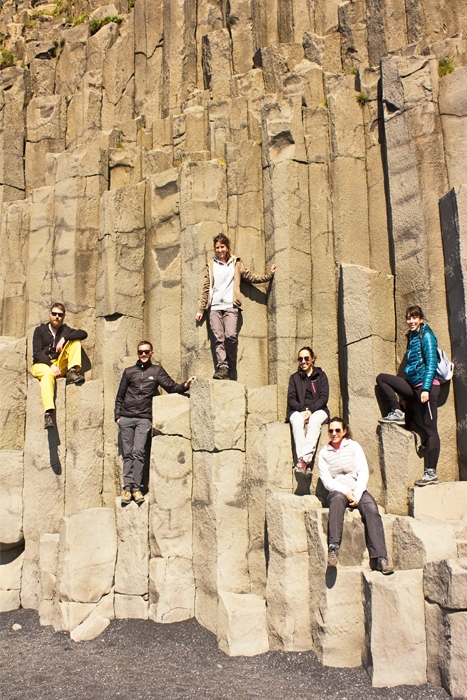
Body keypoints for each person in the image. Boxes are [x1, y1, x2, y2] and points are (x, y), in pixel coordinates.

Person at [115, 341, 195, 505]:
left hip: (144, 418)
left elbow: (171, 387)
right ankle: (127, 488)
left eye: (146, 352)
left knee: (139, 452)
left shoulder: (156, 371)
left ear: (151, 353)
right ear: (137, 354)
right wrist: (118, 417)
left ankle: (136, 489)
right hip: (127, 417)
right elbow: (120, 396)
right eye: (140, 352)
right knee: (127, 453)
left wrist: (185, 385)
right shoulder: (129, 372)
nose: (143, 355)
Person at [318, 417, 394, 574]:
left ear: (344, 431)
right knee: (337, 501)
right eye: (331, 431)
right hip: (338, 491)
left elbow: (363, 471)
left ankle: (381, 558)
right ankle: (333, 547)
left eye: (337, 430)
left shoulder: (354, 447)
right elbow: (326, 480)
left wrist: (357, 494)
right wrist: (344, 491)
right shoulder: (324, 453)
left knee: (371, 508)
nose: (334, 433)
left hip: (358, 490)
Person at [376, 305, 441, 487]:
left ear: (420, 319)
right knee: (382, 379)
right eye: (408, 318)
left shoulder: (427, 335)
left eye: (414, 317)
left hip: (427, 387)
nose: (411, 321)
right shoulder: (412, 337)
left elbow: (431, 364)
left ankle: (430, 472)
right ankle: (397, 412)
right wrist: (405, 397)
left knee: (430, 429)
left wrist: (426, 389)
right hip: (414, 387)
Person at [195, 233, 276, 379]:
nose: (219, 250)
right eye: (217, 248)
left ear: (227, 247)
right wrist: (201, 309)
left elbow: (250, 276)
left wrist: (268, 276)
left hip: (231, 306)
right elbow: (206, 288)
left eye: (222, 247)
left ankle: (230, 364)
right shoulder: (211, 265)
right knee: (218, 339)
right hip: (213, 307)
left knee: (230, 336)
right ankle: (222, 367)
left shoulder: (236, 262)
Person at [31, 303, 87, 430]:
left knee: (76, 341)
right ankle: (48, 413)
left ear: (64, 316)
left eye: (60, 315)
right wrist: (51, 365)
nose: (57, 317)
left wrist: (65, 338)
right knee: (47, 374)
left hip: (60, 364)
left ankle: (72, 372)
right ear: (50, 315)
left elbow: (83, 334)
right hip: (42, 364)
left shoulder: (65, 330)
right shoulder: (40, 331)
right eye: (54, 314)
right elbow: (37, 353)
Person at [286, 346, 329, 476]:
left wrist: (310, 410)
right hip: (299, 410)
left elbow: (324, 397)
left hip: (319, 410)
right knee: (296, 420)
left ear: (312, 359)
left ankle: (304, 460)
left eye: (306, 358)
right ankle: (303, 463)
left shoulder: (321, 376)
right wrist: (302, 411)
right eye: (300, 359)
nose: (303, 361)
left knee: (315, 421)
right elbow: (291, 398)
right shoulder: (294, 378)